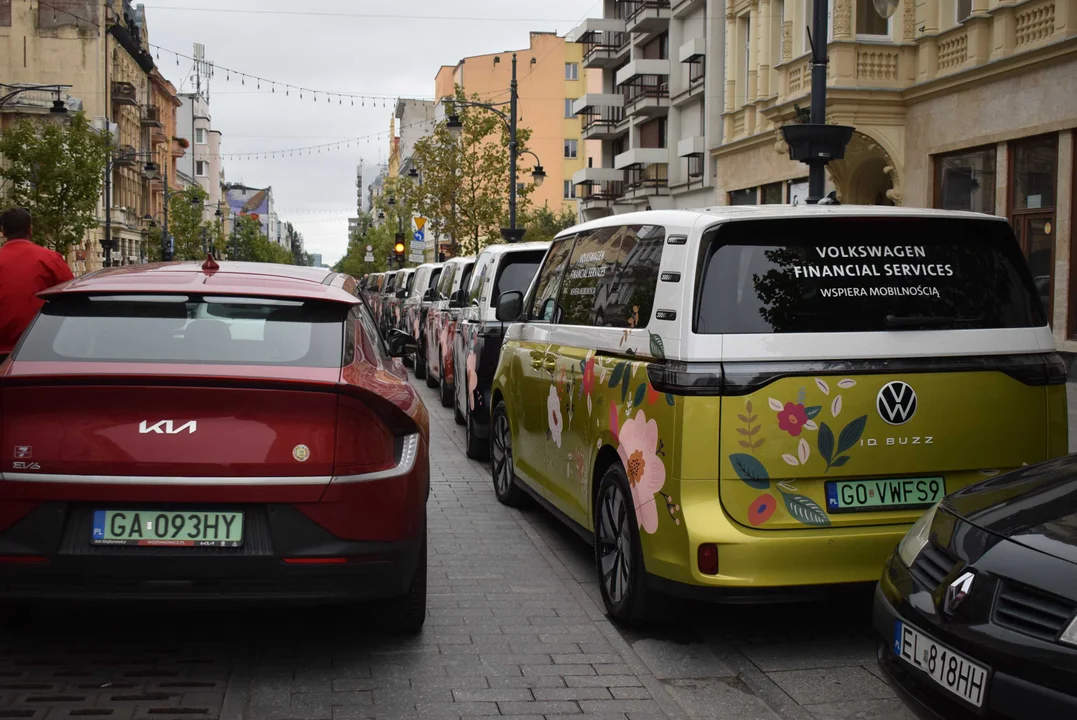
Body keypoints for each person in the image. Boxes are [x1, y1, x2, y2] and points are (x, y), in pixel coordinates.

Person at [0, 207, 75, 361]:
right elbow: (72, 297)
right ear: (30, 229)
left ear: (3, 232)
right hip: (38, 348)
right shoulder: (50, 259)